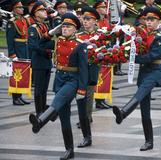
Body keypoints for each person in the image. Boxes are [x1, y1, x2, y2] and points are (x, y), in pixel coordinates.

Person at [29, 12, 88, 160]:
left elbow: (84, 70)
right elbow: (40, 44)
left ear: (75, 29)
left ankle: (41, 120)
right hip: (60, 79)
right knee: (64, 118)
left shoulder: (80, 46)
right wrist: (50, 33)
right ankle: (69, 150)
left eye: (68, 26)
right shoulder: (58, 41)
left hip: (72, 80)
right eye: (63, 26)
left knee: (58, 100)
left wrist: (81, 89)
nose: (65, 28)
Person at [113, 7, 161, 151]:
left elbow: (153, 56)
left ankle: (123, 112)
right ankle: (149, 141)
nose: (149, 22)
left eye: (152, 20)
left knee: (141, 93)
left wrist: (134, 59)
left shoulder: (159, 38)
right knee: (145, 109)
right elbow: (134, 47)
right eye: (147, 20)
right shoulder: (141, 35)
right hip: (144, 72)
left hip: (154, 72)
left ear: (158, 22)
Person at [75, 6, 100, 147]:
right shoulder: (79, 36)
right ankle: (84, 116)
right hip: (79, 70)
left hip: (92, 69)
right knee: (80, 95)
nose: (85, 21)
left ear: (95, 21)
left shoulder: (101, 35)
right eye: (84, 19)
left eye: (88, 19)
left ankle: (87, 117)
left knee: (89, 94)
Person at [28, 2, 52, 117]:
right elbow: (33, 45)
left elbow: (50, 42)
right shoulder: (33, 28)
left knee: (44, 89)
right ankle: (39, 112)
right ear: (36, 13)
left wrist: (51, 47)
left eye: (44, 10)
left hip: (47, 61)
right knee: (38, 88)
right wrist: (45, 51)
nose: (45, 12)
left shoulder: (45, 26)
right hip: (38, 61)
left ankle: (43, 109)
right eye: (42, 10)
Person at [6, 0, 31, 105]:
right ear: (14, 9)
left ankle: (19, 96)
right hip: (17, 50)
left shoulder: (24, 20)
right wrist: (12, 54)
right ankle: (15, 98)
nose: (22, 9)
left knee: (23, 74)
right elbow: (9, 40)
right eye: (19, 7)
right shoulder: (12, 22)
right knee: (16, 74)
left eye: (21, 7)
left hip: (24, 49)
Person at [93, 0, 113, 109]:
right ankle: (98, 100)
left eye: (105, 7)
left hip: (106, 49)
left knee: (105, 75)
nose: (105, 9)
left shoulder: (106, 20)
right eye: (102, 7)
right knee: (99, 76)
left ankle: (102, 99)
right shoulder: (95, 22)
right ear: (97, 9)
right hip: (98, 50)